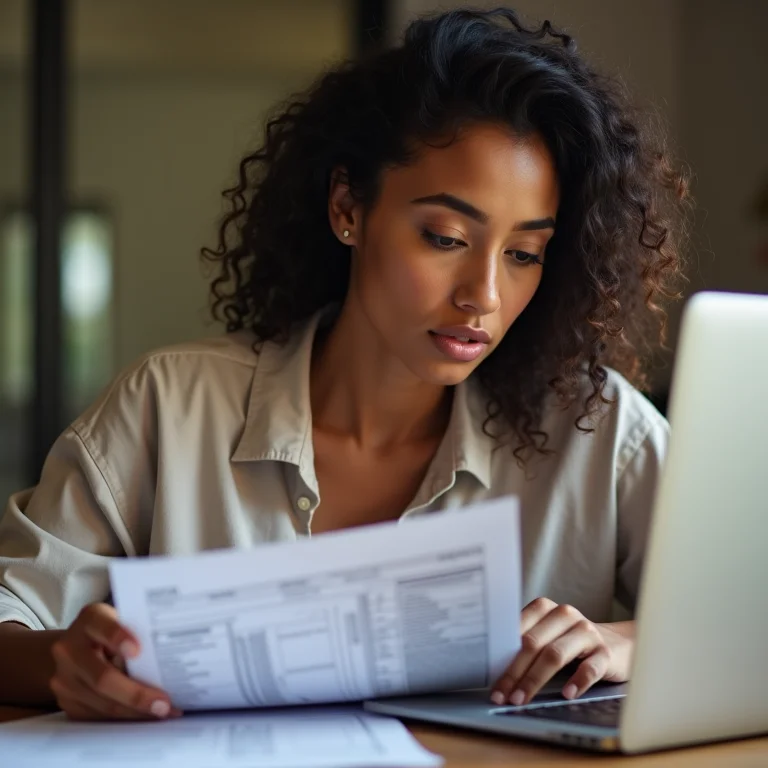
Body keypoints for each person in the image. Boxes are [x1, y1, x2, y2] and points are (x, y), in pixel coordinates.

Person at [0, 7, 688, 720]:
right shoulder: (168, 406)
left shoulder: (597, 431)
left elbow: (741, 614)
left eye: (523, 254)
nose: (483, 294)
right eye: (446, 237)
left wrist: (625, 644)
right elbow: (9, 612)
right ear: (347, 207)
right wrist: (62, 662)